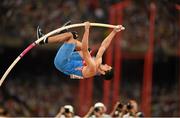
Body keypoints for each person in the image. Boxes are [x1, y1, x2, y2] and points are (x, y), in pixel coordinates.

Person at [37, 21, 123, 79]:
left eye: (107, 67)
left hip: (62, 63)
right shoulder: (98, 63)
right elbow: (103, 46)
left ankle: (43, 40)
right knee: (89, 51)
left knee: (71, 36)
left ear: (104, 73)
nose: (107, 64)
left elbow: (84, 51)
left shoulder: (92, 68)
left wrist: (87, 30)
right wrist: (114, 32)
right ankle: (62, 34)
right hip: (71, 60)